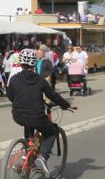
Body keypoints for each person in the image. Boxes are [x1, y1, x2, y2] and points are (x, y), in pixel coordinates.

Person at [7, 49, 76, 177]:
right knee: (52, 132)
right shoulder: (40, 80)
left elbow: (10, 96)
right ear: (35, 63)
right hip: (36, 116)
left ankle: (28, 147)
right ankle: (42, 157)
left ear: (21, 63)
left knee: (28, 122)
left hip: (17, 116)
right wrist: (66, 105)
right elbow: (53, 96)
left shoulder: (14, 79)